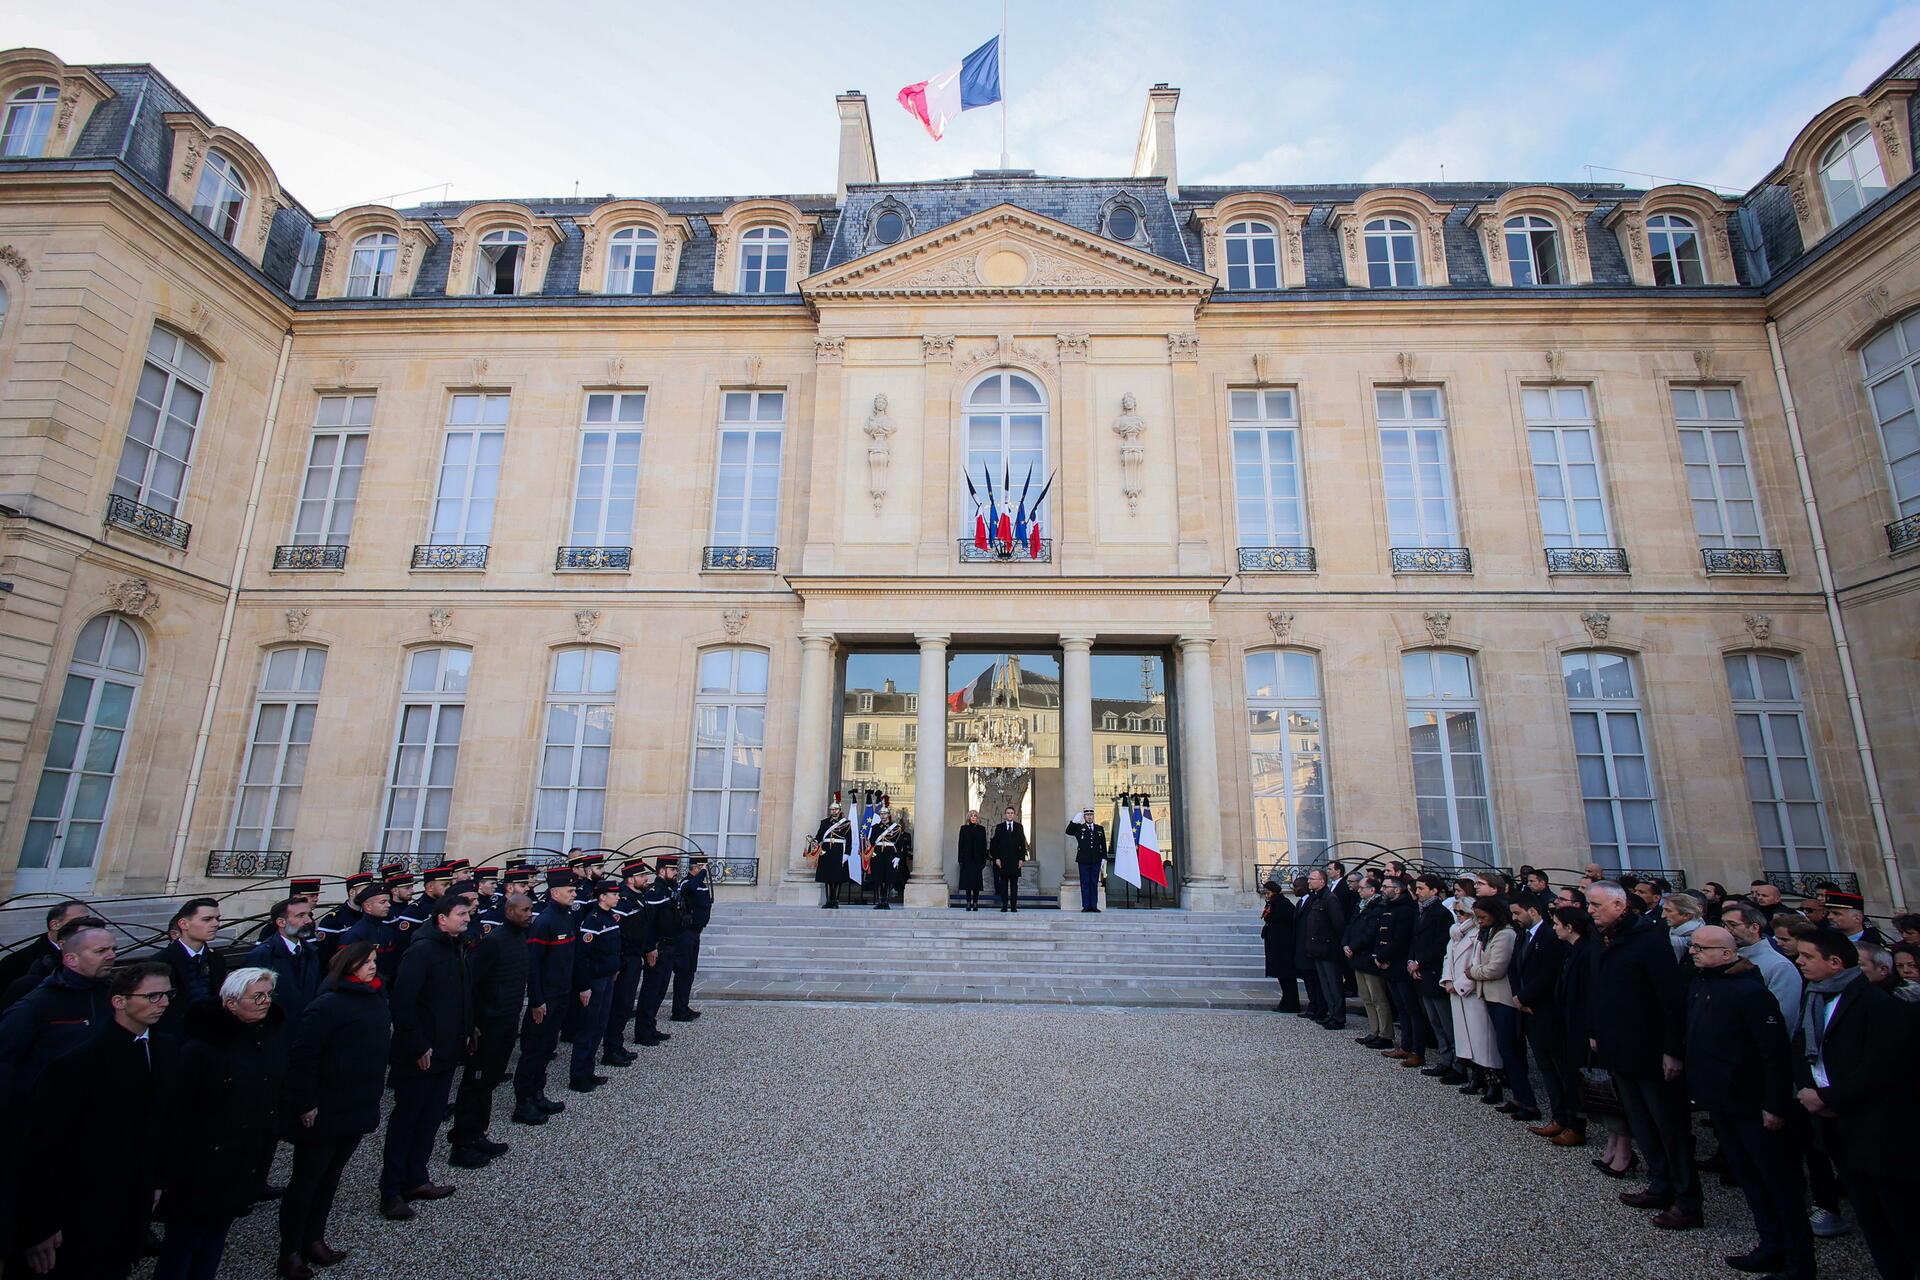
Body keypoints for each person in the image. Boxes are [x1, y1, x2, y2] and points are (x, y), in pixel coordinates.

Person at [15, 960, 175, 1280]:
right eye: (153, 996)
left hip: (130, 1202)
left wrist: (156, 1180)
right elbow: (42, 1149)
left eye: (168, 995)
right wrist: (40, 1227)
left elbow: (159, 1121)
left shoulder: (164, 1047)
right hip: (84, 1208)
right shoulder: (77, 1062)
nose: (164, 1003)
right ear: (120, 1001)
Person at [1679, 925, 1811, 1279]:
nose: (1693, 952)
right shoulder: (1702, 983)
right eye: (1692, 947)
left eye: (1701, 948)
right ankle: (1770, 1246)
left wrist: (1774, 1104)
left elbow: (1773, 1053)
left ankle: (1799, 1261)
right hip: (1721, 1098)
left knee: (1777, 1183)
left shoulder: (1751, 992)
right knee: (1751, 1180)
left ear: (1727, 953)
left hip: (1751, 1100)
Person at [1793, 930, 1920, 1280]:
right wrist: (1808, 1089)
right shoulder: (1815, 995)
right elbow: (1803, 1049)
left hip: (1875, 1127)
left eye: (1807, 956)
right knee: (1869, 1217)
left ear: (1835, 963)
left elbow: (1884, 1068)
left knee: (1900, 1217)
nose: (1799, 962)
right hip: (1834, 1122)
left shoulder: (1879, 1005)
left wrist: (1829, 1097)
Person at [154, 968, 286, 1280]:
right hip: (201, 1163)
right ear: (230, 1003)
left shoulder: (264, 1036)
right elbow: (177, 1112)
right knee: (184, 1243)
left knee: (214, 1239)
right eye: (257, 996)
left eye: (268, 995)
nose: (265, 1002)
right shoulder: (200, 1048)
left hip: (240, 1157)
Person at [1586, 880, 1700, 1230]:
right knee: (1640, 1121)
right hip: (1618, 1045)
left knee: (1669, 1126)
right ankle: (1660, 1182)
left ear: (1620, 906)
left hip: (1649, 1048)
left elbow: (1669, 998)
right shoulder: (1603, 938)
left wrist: (1671, 1050)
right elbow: (1601, 989)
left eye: (1595, 905)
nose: (1590, 911)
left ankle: (1688, 1200)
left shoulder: (1649, 939)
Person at [280, 943, 389, 1279]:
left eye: (373, 961)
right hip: (327, 1103)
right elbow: (303, 1057)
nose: (372, 967)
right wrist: (306, 1102)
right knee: (307, 1179)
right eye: (365, 962)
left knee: (329, 1178)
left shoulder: (374, 998)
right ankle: (290, 1250)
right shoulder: (327, 1005)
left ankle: (315, 1238)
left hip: (358, 1099)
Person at [379, 895, 473, 1220]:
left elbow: (460, 996)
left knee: (431, 1117)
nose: (467, 919)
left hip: (447, 1050)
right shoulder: (421, 951)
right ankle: (390, 1190)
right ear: (441, 918)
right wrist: (418, 1046)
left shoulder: (455, 946)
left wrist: (467, 1028)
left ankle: (416, 1179)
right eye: (461, 914)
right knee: (407, 1120)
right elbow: (403, 1004)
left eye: (467, 914)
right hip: (422, 1053)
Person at [451, 892, 531, 1162]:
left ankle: (477, 1133)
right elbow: (471, 985)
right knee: (475, 1083)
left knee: (489, 1082)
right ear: (509, 911)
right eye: (524, 910)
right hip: (488, 1024)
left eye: (530, 909)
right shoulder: (494, 942)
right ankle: (461, 1143)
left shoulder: (519, 938)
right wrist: (471, 1025)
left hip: (507, 1020)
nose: (529, 914)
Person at [0, 922, 116, 1103]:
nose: (111, 956)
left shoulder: (115, 996)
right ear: (71, 959)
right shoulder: (35, 1004)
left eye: (113, 949)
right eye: (100, 951)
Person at [514, 869, 582, 1124]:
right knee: (533, 1049)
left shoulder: (566, 918)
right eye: (570, 890)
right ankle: (523, 1102)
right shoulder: (544, 922)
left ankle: (537, 1093)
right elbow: (534, 966)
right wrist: (536, 1000)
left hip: (561, 993)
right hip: (546, 997)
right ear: (555, 893)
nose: (574, 894)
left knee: (546, 1048)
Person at [1531, 906, 1595, 1149]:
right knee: (1561, 1071)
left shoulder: (1585, 951)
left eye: (1557, 923)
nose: (1554, 927)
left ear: (1570, 927)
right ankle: (1565, 1119)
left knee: (1574, 1076)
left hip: (1576, 1023)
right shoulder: (1572, 949)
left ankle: (1576, 1125)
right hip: (1563, 1019)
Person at [1511, 894, 1568, 1130]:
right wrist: (1518, 996)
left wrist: (1524, 997)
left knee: (1557, 1067)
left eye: (1517, 913)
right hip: (1527, 1007)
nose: (1514, 918)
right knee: (1545, 1065)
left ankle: (1566, 1118)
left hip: (1543, 1008)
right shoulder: (1524, 934)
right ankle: (1558, 1116)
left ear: (1533, 911)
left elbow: (1548, 973)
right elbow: (1515, 968)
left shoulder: (1549, 936)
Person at [1466, 896, 1522, 1110]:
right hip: (1488, 994)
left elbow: (1496, 969)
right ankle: (1519, 1097)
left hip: (1502, 996)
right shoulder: (1488, 932)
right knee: (1502, 1046)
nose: (1479, 921)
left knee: (1508, 1048)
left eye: (1482, 916)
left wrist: (1472, 972)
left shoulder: (1505, 934)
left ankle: (1522, 1097)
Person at [1442, 895, 1498, 1095]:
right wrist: (1448, 979)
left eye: (1462, 913)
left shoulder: (1479, 934)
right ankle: (1476, 1077)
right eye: (1456, 912)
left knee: (1482, 1039)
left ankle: (1492, 1082)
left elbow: (1477, 964)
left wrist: (1461, 984)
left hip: (1471, 992)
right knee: (1466, 1038)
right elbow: (1448, 957)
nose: (1458, 916)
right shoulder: (1457, 933)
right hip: (1456, 989)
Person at [569, 880, 622, 1092]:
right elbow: (582, 957)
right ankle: (578, 1076)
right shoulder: (592, 920)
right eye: (613, 894)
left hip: (607, 977)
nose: (617, 897)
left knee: (599, 1025)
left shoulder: (610, 917)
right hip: (595, 980)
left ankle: (588, 1071)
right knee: (587, 1028)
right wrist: (584, 986)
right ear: (602, 896)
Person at [602, 861, 656, 1062]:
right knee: (620, 1004)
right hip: (625, 958)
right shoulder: (623, 901)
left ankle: (617, 1045)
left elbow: (644, 928)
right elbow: (620, 935)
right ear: (631, 879)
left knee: (625, 1005)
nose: (646, 879)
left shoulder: (637, 898)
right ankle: (611, 1049)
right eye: (642, 876)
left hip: (634, 956)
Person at [1722, 900, 1804, 1022]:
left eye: (1732, 925)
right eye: (1724, 925)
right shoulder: (1724, 957)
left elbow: (1783, 1015)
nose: (1726, 930)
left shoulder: (1779, 966)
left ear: (1754, 927)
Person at [246, 896, 322, 1026]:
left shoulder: (311, 952)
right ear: (281, 922)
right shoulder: (262, 955)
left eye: (309, 915)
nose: (308, 921)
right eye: (300, 916)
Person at [1410, 875, 1457, 1080]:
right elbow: (1414, 940)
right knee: (1435, 1020)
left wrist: (1420, 962)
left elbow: (1441, 945)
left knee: (1445, 1021)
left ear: (1434, 891)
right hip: (1421, 971)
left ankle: (1456, 1063)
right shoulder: (1422, 911)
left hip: (1433, 971)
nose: (1417, 892)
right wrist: (1411, 962)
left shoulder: (1441, 913)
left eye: (1421, 888)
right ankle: (1445, 1059)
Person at [158, 897, 227, 1034]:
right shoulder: (162, 961)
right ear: (184, 924)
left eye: (217, 919)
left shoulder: (216, 959)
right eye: (207, 919)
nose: (215, 924)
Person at [1374, 876, 1422, 1066]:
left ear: (1397, 890)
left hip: (1399, 964)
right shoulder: (1390, 907)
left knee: (1411, 1009)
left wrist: (1384, 957)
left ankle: (1416, 1050)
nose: (1382, 889)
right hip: (1389, 964)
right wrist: (1379, 956)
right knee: (1402, 1009)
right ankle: (1405, 1046)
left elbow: (1401, 939)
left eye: (1386, 887)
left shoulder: (1406, 910)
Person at [631, 864, 678, 1049]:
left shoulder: (667, 889)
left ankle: (650, 1026)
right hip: (657, 947)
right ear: (662, 870)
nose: (676, 873)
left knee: (659, 989)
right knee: (651, 990)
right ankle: (642, 1031)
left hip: (668, 945)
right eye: (673, 870)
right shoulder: (655, 892)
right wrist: (650, 947)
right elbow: (648, 923)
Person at [0, 900, 87, 1000]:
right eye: (79, 921)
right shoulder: (17, 961)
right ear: (55, 925)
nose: (86, 926)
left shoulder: (93, 955)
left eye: (88, 920)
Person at [1343, 873, 1392, 1049]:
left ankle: (1385, 1033)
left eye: (1362, 888)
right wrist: (1346, 944)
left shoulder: (1378, 907)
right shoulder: (1361, 905)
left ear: (1372, 890)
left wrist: (1353, 946)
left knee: (1378, 997)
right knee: (1366, 997)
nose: (1359, 890)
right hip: (1357, 956)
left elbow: (1371, 933)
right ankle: (1374, 1030)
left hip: (1368, 956)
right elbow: (1351, 925)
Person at [1296, 868, 1348, 1029]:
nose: (1309, 881)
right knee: (1325, 984)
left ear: (1322, 882)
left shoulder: (1329, 898)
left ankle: (1338, 1017)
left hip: (1328, 948)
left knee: (1333, 984)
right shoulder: (1316, 898)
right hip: (1317, 948)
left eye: (1312, 879)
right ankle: (1331, 1014)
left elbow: (1338, 924)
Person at [672, 856, 713, 1021]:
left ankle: (683, 1006)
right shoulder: (686, 882)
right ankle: (678, 1010)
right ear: (694, 868)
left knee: (689, 971)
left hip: (695, 932)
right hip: (685, 933)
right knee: (683, 970)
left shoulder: (699, 884)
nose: (705, 871)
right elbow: (690, 889)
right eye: (701, 867)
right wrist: (702, 872)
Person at [340, 883, 399, 987]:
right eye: (383, 902)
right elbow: (345, 969)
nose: (388, 905)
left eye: (388, 901)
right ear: (368, 906)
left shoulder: (387, 930)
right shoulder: (355, 935)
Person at [312, 873, 372, 966]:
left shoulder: (368, 915)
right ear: (352, 892)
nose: (368, 895)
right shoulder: (333, 920)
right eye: (365, 891)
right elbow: (325, 956)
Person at [1259, 881, 1299, 1013]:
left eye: (1267, 892)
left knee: (1286, 975)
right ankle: (1286, 1002)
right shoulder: (1273, 903)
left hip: (1283, 945)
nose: (1266, 895)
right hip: (1276, 944)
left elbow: (1288, 921)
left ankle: (1291, 1003)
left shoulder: (1282, 903)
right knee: (1282, 976)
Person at [867, 809, 912, 910]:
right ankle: (879, 900)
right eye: (881, 814)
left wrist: (897, 857)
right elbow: (871, 842)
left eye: (885, 813)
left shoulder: (896, 828)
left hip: (890, 853)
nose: (883, 816)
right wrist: (871, 852)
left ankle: (885, 900)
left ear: (888, 815)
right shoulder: (875, 827)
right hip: (878, 853)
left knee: (889, 877)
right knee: (878, 878)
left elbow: (900, 844)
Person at [1064, 807, 1106, 912]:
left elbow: (1103, 845)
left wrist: (1104, 858)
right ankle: (1086, 906)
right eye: (1087, 815)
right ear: (1084, 817)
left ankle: (1094, 905)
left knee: (1094, 882)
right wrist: (1074, 822)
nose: (1089, 817)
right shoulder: (1079, 828)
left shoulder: (1099, 829)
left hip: (1096, 859)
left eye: (1091, 815)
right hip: (1083, 860)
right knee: (1085, 883)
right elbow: (1068, 831)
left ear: (1093, 816)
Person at [814, 803, 854, 908]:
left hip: (839, 851)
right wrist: (815, 841)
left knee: (837, 877)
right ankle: (828, 900)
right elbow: (819, 836)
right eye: (832, 809)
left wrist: (847, 853)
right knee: (827, 877)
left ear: (839, 810)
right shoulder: (824, 823)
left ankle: (835, 900)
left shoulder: (846, 823)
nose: (834, 811)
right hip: (827, 851)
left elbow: (849, 840)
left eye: (836, 809)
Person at [988, 807, 1027, 912]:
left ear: (1014, 815)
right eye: (1008, 813)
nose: (1010, 815)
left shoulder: (1019, 827)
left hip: (1015, 860)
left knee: (1014, 885)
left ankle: (1014, 906)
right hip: (1003, 861)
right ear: (1005, 815)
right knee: (1003, 885)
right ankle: (1004, 905)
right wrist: (997, 858)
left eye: (1011, 813)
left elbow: (1022, 844)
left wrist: (1021, 859)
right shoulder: (999, 827)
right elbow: (995, 844)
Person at [957, 810, 988, 910]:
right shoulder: (964, 828)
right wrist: (960, 859)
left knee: (976, 882)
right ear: (968, 818)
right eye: (971, 816)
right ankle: (968, 902)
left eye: (975, 816)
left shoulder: (981, 829)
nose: (973, 817)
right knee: (967, 882)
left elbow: (984, 845)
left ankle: (975, 902)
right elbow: (960, 845)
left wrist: (984, 860)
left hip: (977, 859)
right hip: (967, 859)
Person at [1662, 892, 1706, 963]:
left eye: (1668, 911)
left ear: (1686, 915)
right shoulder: (1670, 931)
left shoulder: (1704, 937)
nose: (1663, 915)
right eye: (1663, 910)